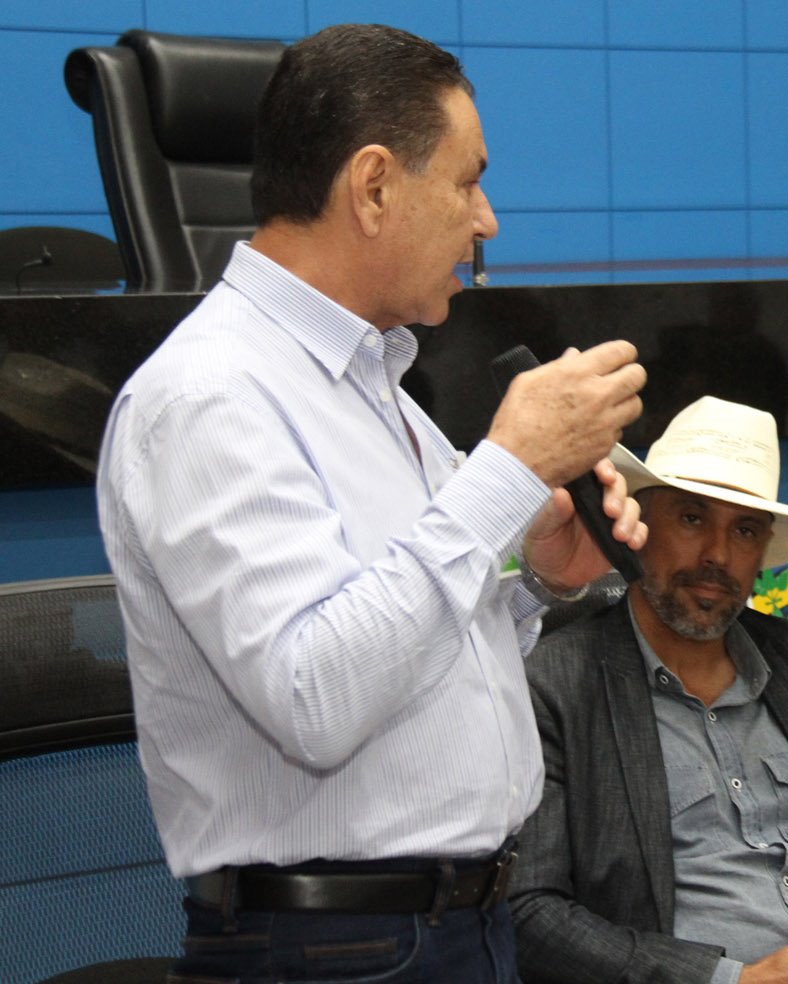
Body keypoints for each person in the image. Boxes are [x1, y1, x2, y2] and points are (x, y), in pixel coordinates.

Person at [95, 23, 646, 983]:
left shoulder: (374, 382)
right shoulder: (209, 396)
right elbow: (315, 695)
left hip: (458, 927)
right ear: (376, 186)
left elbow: (411, 646)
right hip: (333, 949)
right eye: (467, 182)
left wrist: (535, 577)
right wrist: (507, 470)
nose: (487, 221)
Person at [507, 395, 788, 984]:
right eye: (692, 519)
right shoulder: (559, 681)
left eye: (744, 530)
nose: (717, 554)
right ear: (638, 527)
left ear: (762, 551)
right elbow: (532, 913)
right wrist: (731, 980)